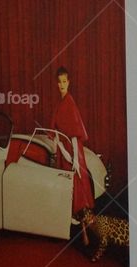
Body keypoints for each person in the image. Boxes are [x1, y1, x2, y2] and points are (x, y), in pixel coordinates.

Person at [51, 66, 94, 245]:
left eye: (64, 81)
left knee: (78, 191)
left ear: (69, 82)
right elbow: (56, 134)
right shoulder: (60, 104)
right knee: (69, 190)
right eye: (59, 82)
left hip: (74, 153)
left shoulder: (69, 102)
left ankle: (86, 234)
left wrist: (75, 158)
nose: (61, 85)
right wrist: (63, 152)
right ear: (56, 83)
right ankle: (74, 233)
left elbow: (75, 134)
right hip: (65, 154)